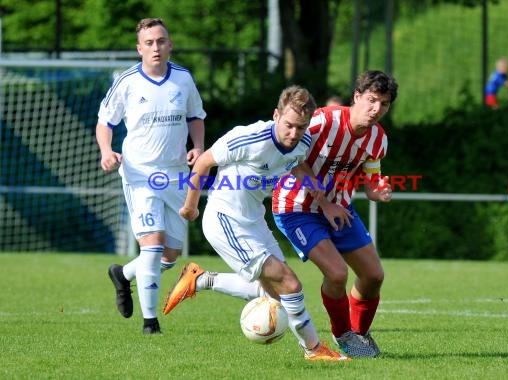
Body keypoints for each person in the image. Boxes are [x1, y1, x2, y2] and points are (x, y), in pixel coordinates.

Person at [162, 85, 349, 361]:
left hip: (253, 220)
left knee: (274, 294)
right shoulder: (249, 138)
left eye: (301, 127)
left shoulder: (302, 141)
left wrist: (318, 195)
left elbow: (296, 163)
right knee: (290, 284)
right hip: (225, 220)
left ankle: (200, 279)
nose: (294, 133)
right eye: (289, 125)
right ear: (276, 115)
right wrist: (190, 207)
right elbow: (203, 162)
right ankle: (313, 349)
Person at [272, 70, 398, 358]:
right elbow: (291, 156)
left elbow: (371, 177)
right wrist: (324, 203)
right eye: (371, 100)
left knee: (373, 275)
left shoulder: (378, 139)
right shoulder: (323, 121)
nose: (376, 109)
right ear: (357, 97)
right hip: (297, 208)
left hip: (339, 208)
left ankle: (360, 336)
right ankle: (343, 336)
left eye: (384, 104)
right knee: (338, 273)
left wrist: (376, 190)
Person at [96, 17, 206, 334]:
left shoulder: (183, 80)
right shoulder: (127, 81)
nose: (155, 47)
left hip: (175, 175)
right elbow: (105, 122)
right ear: (139, 48)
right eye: (148, 42)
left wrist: (198, 147)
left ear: (169, 44)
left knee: (169, 256)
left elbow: (196, 116)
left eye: (160, 41)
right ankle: (150, 323)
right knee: (153, 246)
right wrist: (107, 151)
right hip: (140, 174)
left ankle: (124, 274)